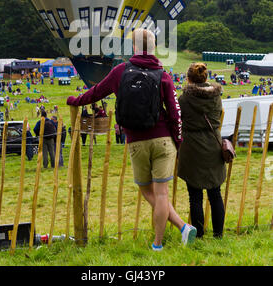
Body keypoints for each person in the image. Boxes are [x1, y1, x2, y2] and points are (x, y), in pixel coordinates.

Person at [67, 28, 197, 249]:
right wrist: (178, 140)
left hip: (136, 140)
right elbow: (175, 111)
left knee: (146, 190)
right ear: (154, 47)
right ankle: (168, 238)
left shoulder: (120, 71)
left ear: (134, 47)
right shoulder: (163, 75)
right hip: (163, 139)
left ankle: (179, 230)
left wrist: (76, 100)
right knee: (162, 193)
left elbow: (97, 92)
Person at [177, 63, 226, 239]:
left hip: (192, 146)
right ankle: (218, 234)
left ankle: (199, 235)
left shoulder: (184, 99)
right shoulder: (216, 97)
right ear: (205, 78)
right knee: (215, 193)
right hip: (213, 144)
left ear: (189, 79)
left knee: (195, 195)